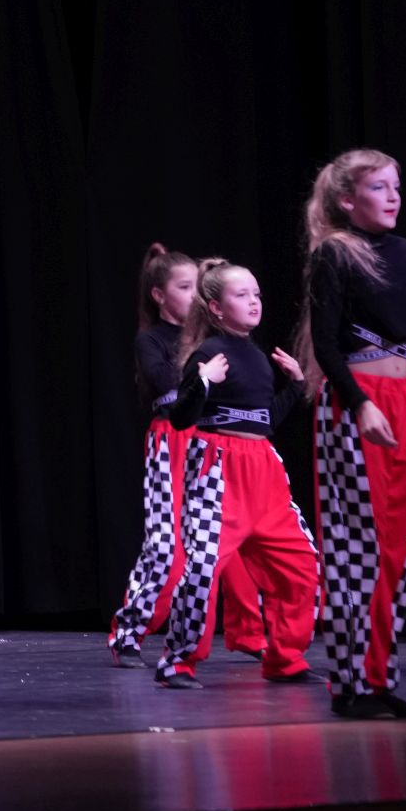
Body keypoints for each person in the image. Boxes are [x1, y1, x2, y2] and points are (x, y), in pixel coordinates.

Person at [298, 150, 406, 719]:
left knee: (398, 548)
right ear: (348, 201)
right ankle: (350, 684)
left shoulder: (403, 251)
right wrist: (360, 402)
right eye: (379, 187)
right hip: (358, 401)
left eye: (396, 186)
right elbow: (326, 344)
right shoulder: (334, 253)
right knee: (357, 548)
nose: (393, 196)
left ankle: (380, 677)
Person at [151, 261, 321, 689]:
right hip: (219, 469)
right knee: (203, 568)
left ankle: (285, 658)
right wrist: (203, 382)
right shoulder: (209, 354)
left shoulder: (258, 358)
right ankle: (177, 662)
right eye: (242, 295)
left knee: (301, 564)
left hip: (263, 469)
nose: (254, 302)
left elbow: (264, 422)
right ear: (216, 307)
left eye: (257, 294)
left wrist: (295, 387)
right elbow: (180, 417)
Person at [109, 245, 268, 663]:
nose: (194, 294)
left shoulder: (215, 341)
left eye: (198, 287)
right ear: (159, 296)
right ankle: (130, 631)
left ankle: (249, 632)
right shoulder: (152, 340)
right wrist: (203, 375)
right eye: (184, 287)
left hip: (214, 442)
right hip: (172, 441)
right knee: (168, 544)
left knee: (232, 538)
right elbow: (166, 382)